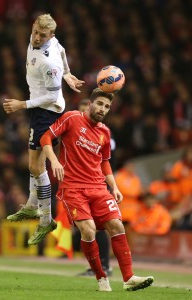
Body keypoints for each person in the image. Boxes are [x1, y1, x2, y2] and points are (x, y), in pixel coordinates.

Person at [40, 87, 154, 292]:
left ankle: (128, 278)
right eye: (100, 104)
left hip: (98, 188)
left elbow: (104, 163)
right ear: (90, 104)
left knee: (117, 226)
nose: (103, 108)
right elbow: (45, 138)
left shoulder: (105, 132)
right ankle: (101, 277)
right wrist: (54, 161)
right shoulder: (72, 118)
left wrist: (114, 187)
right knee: (89, 229)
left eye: (107, 106)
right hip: (73, 187)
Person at [3, 14, 84, 245]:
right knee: (34, 165)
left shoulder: (50, 63)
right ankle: (32, 206)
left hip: (47, 110)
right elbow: (63, 48)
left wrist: (21, 104)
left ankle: (45, 218)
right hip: (40, 109)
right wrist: (69, 74)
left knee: (36, 167)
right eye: (36, 32)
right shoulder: (41, 39)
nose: (37, 37)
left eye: (42, 35)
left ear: (51, 35)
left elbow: (49, 96)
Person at [76, 98, 112, 276]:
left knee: (98, 227)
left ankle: (104, 265)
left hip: (98, 183)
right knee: (88, 228)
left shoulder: (103, 132)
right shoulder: (75, 126)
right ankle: (97, 266)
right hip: (77, 184)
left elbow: (106, 160)